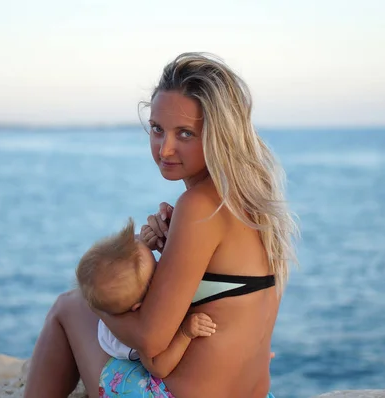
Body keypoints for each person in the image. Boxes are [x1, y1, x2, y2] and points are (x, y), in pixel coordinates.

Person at [24, 52, 296, 398]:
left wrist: (97, 299)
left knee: (69, 305)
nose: (164, 148)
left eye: (185, 133)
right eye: (157, 129)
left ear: (219, 135)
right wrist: (166, 251)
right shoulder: (252, 200)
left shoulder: (199, 206)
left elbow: (151, 339)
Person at [75, 217, 216, 379]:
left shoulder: (127, 294)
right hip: (128, 380)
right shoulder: (142, 323)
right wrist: (184, 333)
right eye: (157, 268)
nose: (163, 267)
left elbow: (126, 264)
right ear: (139, 306)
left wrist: (144, 242)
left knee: (65, 304)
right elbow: (159, 367)